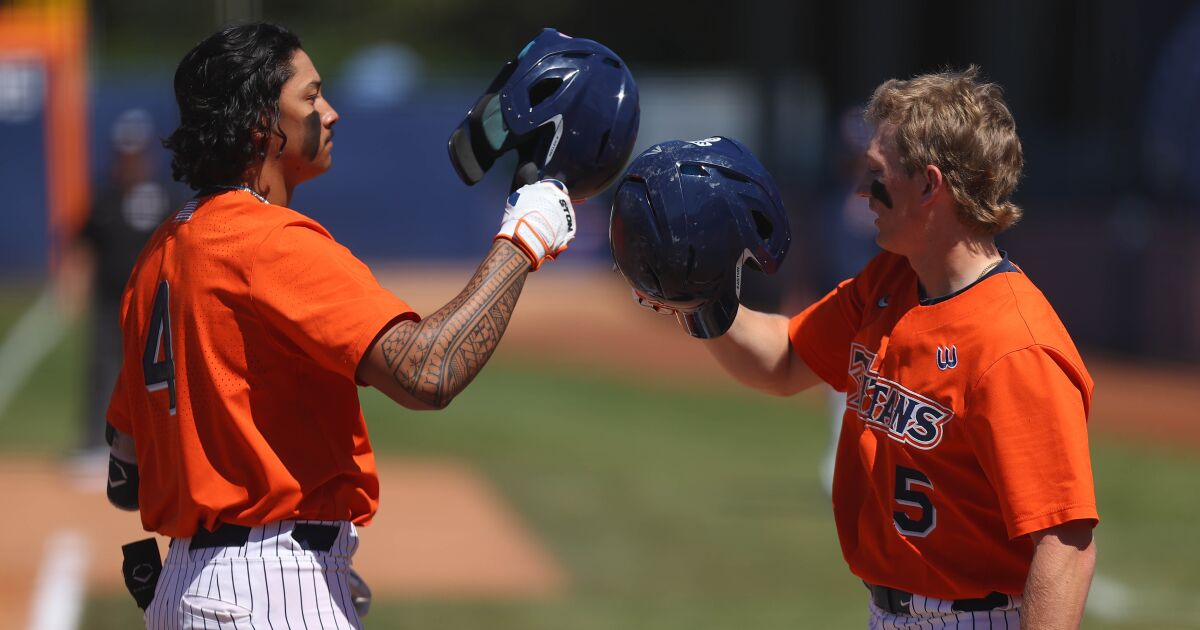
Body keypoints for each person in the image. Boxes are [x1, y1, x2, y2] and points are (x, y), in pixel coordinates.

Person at [104, 23, 579, 628]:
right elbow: (427, 372)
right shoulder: (268, 242)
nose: (330, 112)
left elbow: (126, 473)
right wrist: (524, 239)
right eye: (311, 96)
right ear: (259, 124)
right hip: (263, 592)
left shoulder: (160, 252)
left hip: (187, 589)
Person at [614, 68, 1097, 628]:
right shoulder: (891, 282)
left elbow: (1065, 543)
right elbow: (785, 359)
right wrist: (701, 301)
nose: (862, 191)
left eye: (875, 174)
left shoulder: (1015, 345)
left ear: (929, 185)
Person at [71, 109, 176, 463]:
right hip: (109, 299)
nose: (129, 162)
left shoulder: (163, 197)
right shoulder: (105, 198)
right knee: (102, 367)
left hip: (151, 304)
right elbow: (86, 243)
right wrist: (74, 283)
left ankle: (155, 447)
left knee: (156, 373)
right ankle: (95, 444)